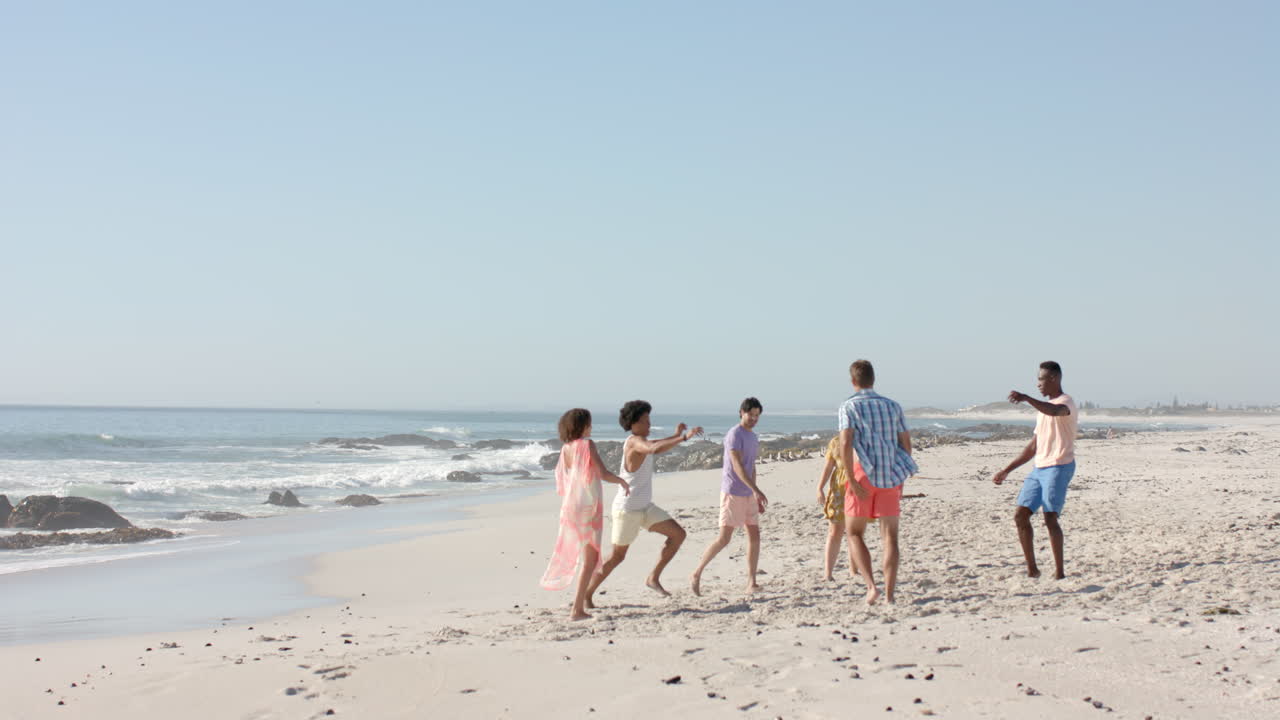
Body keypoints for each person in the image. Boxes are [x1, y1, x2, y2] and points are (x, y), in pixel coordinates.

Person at [585, 401, 703, 605]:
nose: (649, 424)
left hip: (645, 507)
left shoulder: (643, 440)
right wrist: (683, 437)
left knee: (678, 535)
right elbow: (654, 448)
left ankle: (653, 578)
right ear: (634, 423)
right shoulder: (634, 442)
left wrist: (676, 435)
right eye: (646, 420)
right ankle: (586, 594)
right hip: (627, 509)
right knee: (616, 557)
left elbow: (657, 442)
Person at [838, 360, 916, 605]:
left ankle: (871, 586)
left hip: (863, 472)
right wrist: (901, 475)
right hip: (890, 473)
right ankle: (890, 595)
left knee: (854, 533)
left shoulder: (848, 406)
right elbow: (905, 443)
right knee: (890, 537)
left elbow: (845, 443)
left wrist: (850, 478)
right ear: (874, 379)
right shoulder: (893, 406)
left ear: (853, 381)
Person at [539, 408, 630, 620]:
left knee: (585, 556)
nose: (592, 427)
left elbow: (566, 477)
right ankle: (577, 609)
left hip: (571, 505)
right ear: (581, 425)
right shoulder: (587, 444)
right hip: (588, 505)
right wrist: (622, 481)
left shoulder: (566, 448)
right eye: (589, 423)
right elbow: (602, 473)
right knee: (590, 558)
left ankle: (578, 606)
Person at [992, 361, 1078, 579]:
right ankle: (1032, 569)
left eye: (1041, 379)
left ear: (1054, 379)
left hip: (1059, 465)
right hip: (1039, 468)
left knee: (1050, 518)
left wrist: (1027, 398)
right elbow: (1033, 446)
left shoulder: (1066, 402)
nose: (1038, 383)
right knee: (1021, 516)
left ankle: (1059, 572)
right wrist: (1006, 470)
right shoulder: (1041, 412)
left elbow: (1055, 411)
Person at [690, 397, 767, 596]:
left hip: (749, 493)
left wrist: (755, 492)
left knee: (754, 535)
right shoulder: (735, 434)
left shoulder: (753, 436)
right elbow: (738, 466)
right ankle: (697, 573)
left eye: (757, 415)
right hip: (733, 491)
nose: (753, 418)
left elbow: (752, 466)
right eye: (751, 414)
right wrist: (755, 490)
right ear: (742, 412)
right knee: (724, 538)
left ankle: (752, 582)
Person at [815, 434, 859, 581]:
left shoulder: (866, 438)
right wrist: (819, 487)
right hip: (839, 490)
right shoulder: (835, 442)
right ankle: (828, 573)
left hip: (859, 487)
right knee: (835, 531)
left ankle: (854, 571)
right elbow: (828, 467)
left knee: (855, 532)